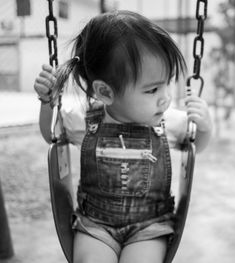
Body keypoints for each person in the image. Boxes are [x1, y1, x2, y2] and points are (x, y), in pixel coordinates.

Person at [34, 10, 212, 263]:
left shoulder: (168, 120)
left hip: (148, 228)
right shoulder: (84, 120)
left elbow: (196, 146)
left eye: (167, 83)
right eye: (152, 89)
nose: (165, 97)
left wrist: (205, 127)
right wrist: (47, 103)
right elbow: (51, 135)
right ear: (105, 92)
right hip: (96, 226)